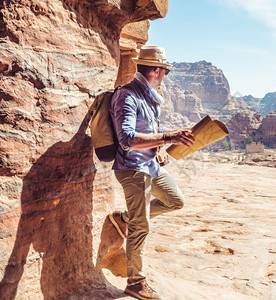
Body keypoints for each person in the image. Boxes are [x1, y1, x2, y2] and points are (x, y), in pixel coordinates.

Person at [109, 45, 195, 300]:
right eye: (165, 71)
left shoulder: (148, 96)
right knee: (142, 226)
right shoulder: (128, 95)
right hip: (132, 169)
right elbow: (127, 138)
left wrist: (159, 147)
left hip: (150, 165)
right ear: (156, 70)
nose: (165, 76)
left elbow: (147, 127)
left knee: (175, 200)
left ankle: (124, 219)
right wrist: (169, 137)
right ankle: (135, 283)